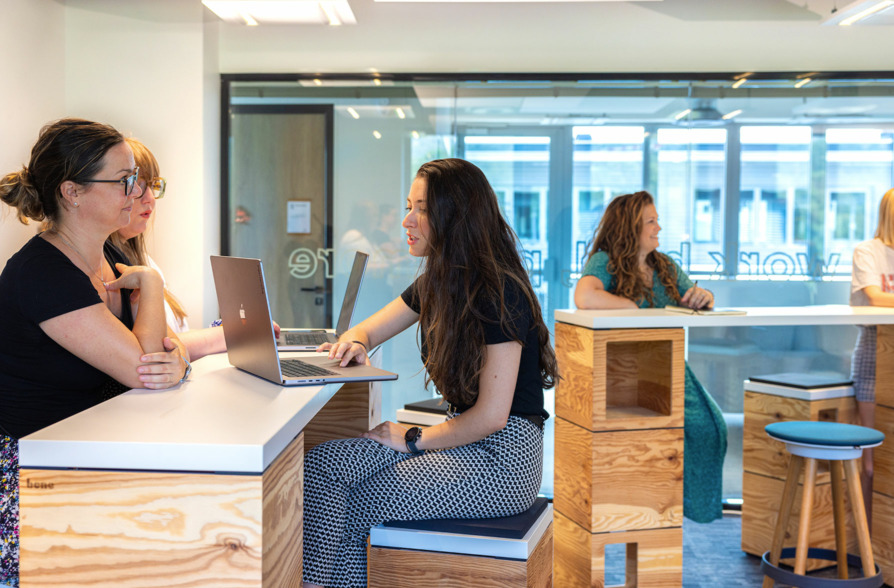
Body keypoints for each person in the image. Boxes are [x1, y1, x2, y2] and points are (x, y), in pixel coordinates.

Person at [302, 158, 558, 588]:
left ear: (455, 216)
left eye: (421, 209)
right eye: (409, 206)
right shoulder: (439, 282)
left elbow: (494, 417)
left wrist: (412, 438)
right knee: (325, 466)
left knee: (351, 492)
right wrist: (359, 341)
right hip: (466, 443)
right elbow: (368, 327)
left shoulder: (501, 292)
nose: (407, 220)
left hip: (504, 462)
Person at [0, 118, 187, 588]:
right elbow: (145, 369)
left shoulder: (104, 257)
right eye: (124, 180)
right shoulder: (42, 273)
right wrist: (152, 282)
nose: (136, 190)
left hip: (86, 460)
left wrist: (176, 357)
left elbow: (161, 351)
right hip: (35, 484)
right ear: (73, 192)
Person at [573, 190, 727, 523]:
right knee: (667, 441)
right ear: (631, 227)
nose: (659, 227)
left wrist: (705, 295)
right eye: (651, 221)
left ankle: (685, 505)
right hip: (630, 375)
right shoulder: (606, 261)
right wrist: (630, 307)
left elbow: (697, 295)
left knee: (712, 427)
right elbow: (584, 296)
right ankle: (665, 506)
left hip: (669, 366)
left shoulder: (664, 265)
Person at [109, 138, 227, 360]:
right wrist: (228, 335)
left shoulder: (142, 258)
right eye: (137, 186)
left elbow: (173, 340)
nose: (150, 199)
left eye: (151, 186)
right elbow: (161, 349)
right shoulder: (113, 269)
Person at [849, 186, 894, 527]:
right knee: (871, 460)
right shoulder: (868, 251)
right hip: (874, 351)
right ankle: (867, 539)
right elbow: (875, 298)